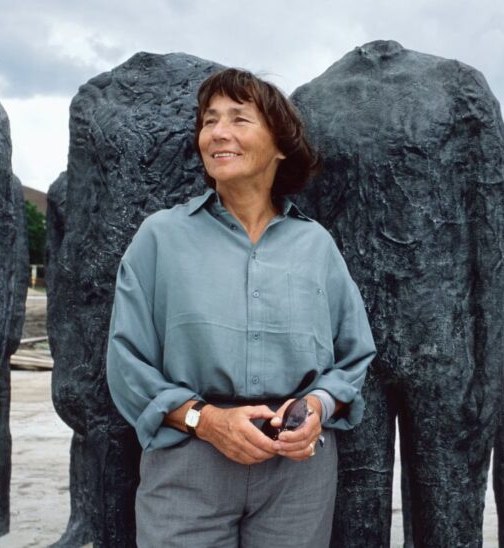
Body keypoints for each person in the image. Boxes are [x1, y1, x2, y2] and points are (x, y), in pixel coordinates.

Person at [106, 68, 376, 547]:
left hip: (297, 474)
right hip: (188, 462)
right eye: (209, 121)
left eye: (238, 119)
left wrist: (317, 405)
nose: (218, 133)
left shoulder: (316, 245)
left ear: (280, 145)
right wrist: (206, 421)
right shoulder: (160, 237)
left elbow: (354, 357)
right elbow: (127, 363)